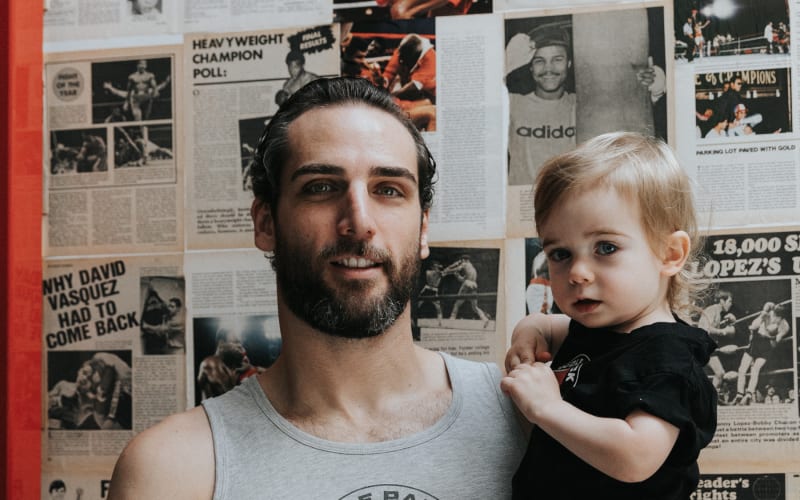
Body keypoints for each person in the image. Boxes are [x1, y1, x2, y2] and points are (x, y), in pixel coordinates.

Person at [107, 77, 525, 499]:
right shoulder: (173, 471)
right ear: (266, 223)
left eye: (388, 189)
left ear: (423, 228)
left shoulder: (529, 416)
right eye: (320, 187)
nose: (359, 221)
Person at [502, 132, 717, 498]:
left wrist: (546, 407)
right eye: (560, 254)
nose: (578, 273)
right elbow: (549, 325)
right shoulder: (599, 327)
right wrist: (530, 330)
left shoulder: (667, 358)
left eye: (606, 247)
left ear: (669, 253)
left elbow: (635, 457)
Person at [733, 301, 790, 405]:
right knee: (742, 369)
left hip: (767, 346)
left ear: (782, 317)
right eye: (774, 314)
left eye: (777, 316)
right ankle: (739, 394)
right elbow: (753, 326)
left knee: (756, 369)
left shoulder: (785, 326)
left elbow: (775, 343)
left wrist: (772, 335)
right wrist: (762, 315)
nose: (774, 318)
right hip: (756, 341)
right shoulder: (769, 313)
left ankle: (749, 394)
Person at [378, 33, 437, 131]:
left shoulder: (430, 59)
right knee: (432, 113)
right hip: (393, 105)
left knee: (430, 106)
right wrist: (384, 81)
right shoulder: (402, 51)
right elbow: (388, 73)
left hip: (427, 93)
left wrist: (388, 95)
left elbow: (413, 87)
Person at [697, 289, 737, 393]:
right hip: (702, 345)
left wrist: (731, 323)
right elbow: (707, 329)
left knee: (719, 373)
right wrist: (723, 331)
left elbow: (726, 332)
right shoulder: (711, 310)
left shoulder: (719, 313)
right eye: (730, 301)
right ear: (722, 301)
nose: (731, 304)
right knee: (719, 373)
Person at [443, 254, 491, 327]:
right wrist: (457, 275)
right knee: (475, 307)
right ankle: (485, 319)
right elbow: (462, 279)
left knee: (457, 304)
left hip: (467, 284)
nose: (461, 262)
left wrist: (447, 271)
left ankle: (451, 321)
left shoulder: (465, 264)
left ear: (464, 259)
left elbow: (457, 269)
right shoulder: (472, 268)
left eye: (461, 260)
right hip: (474, 285)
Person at [416, 260, 444, 325]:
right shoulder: (429, 272)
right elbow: (436, 274)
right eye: (435, 266)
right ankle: (412, 319)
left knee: (438, 308)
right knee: (417, 305)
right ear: (432, 267)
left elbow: (442, 273)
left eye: (437, 265)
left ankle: (440, 322)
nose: (437, 267)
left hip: (433, 291)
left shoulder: (439, 273)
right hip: (427, 290)